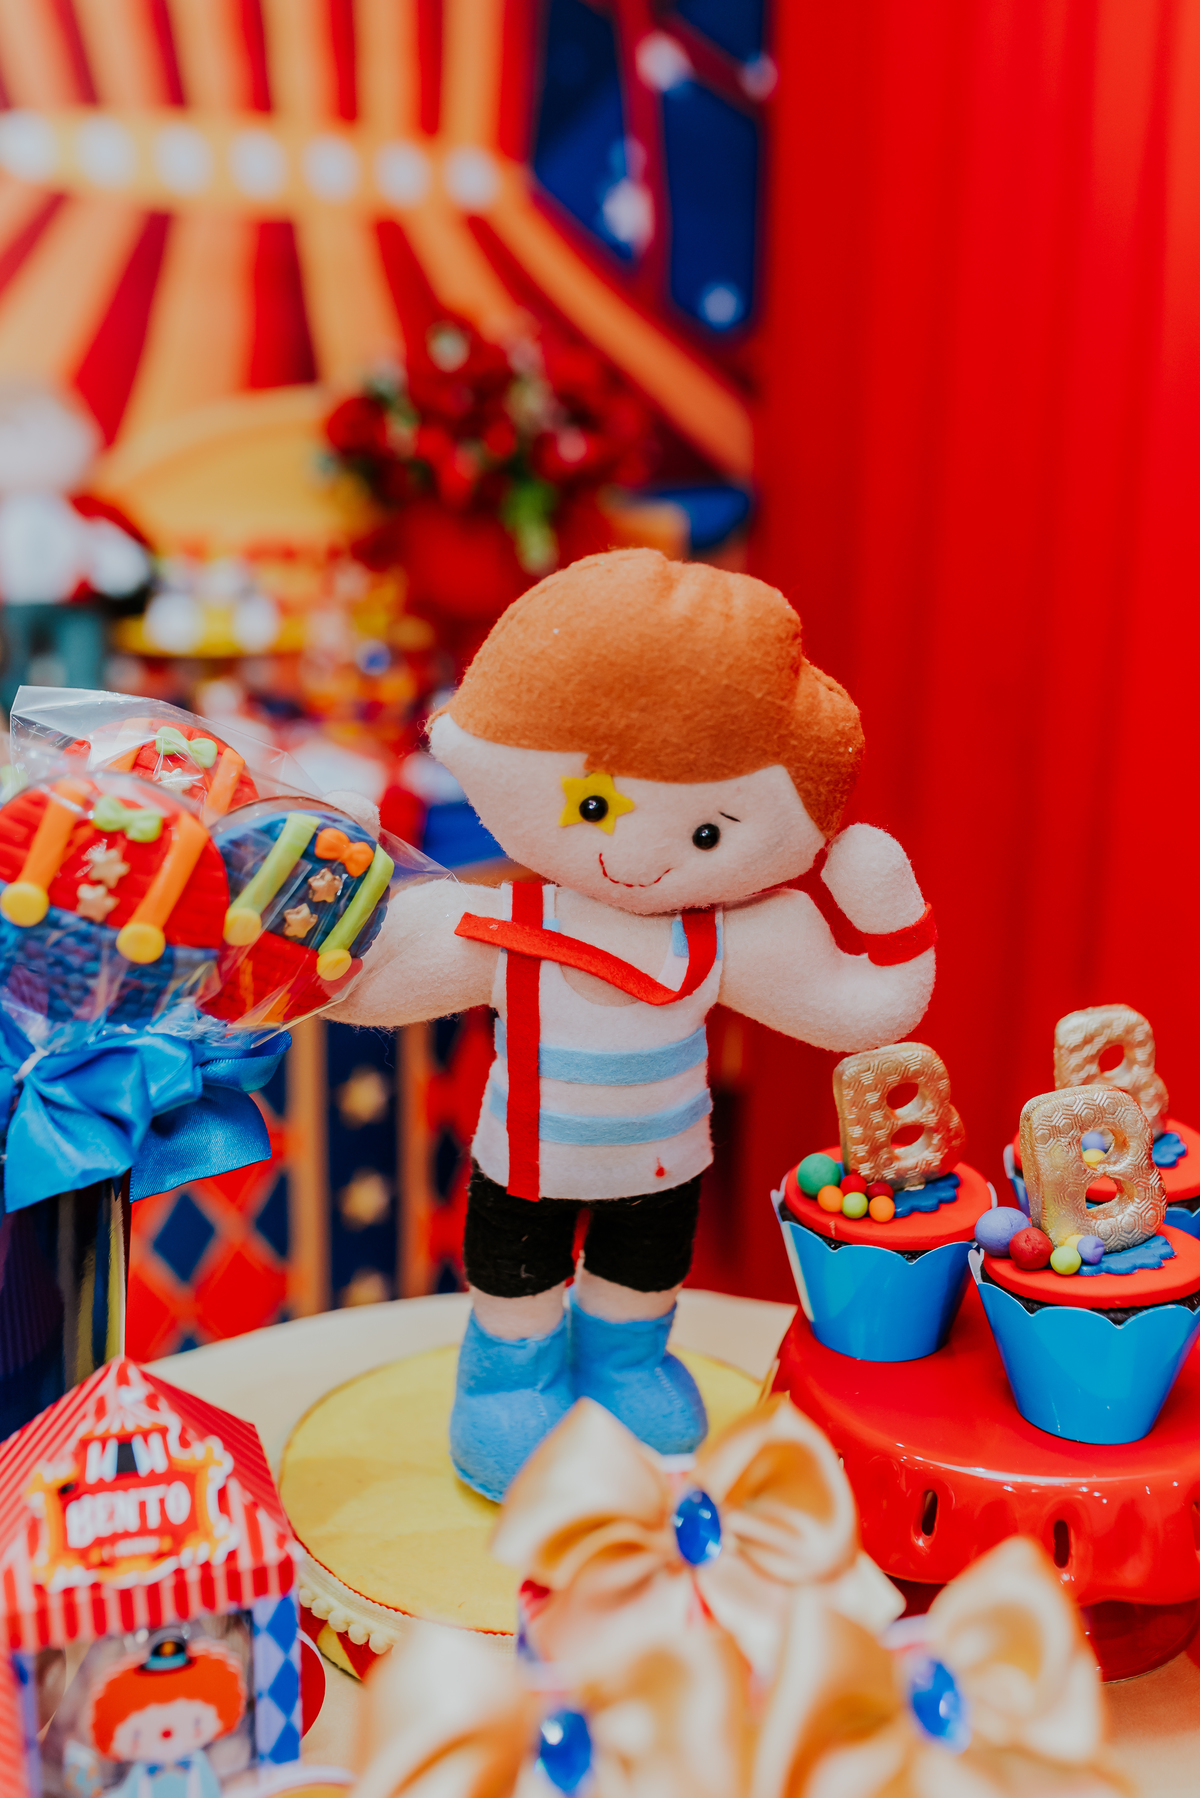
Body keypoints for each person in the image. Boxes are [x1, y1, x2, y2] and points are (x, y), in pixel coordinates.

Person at [330, 549, 937, 1499]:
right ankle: (507, 1388)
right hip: (526, 1169)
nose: (640, 857)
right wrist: (324, 898)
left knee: (641, 1279)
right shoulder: (502, 925)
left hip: (661, 1168)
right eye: (595, 807)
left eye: (706, 833)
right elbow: (364, 985)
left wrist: (893, 923)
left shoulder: (728, 941)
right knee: (518, 1289)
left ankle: (625, 1368)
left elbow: (866, 1007)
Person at [88, 1636, 244, 1798]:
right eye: (138, 1733)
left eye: (195, 1722)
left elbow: (212, 1793)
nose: (166, 1734)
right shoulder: (141, 1773)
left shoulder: (199, 1764)